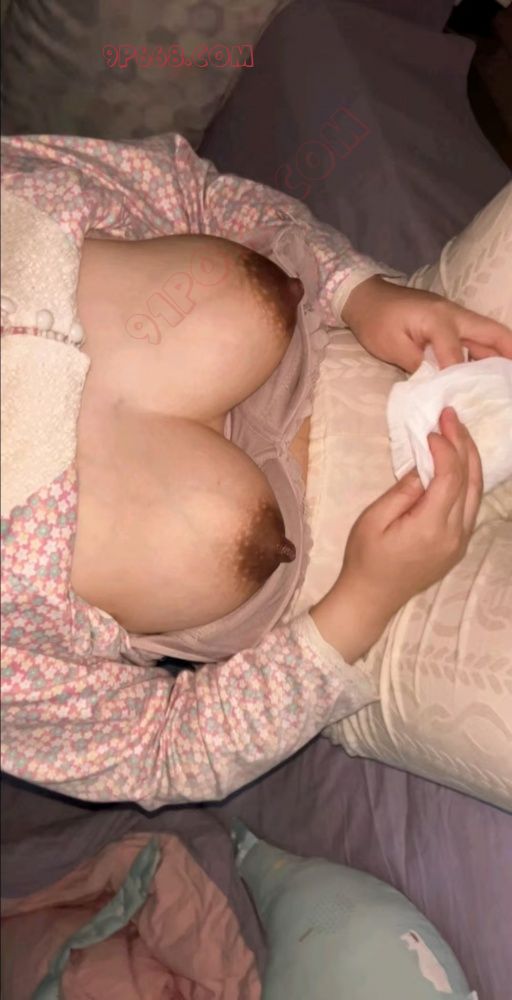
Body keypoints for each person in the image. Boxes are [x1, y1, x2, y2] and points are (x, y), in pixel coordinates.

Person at [1, 132, 510, 809]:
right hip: (380, 624)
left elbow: (194, 195)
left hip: (409, 345)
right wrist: (362, 603)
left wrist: (359, 292)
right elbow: (158, 752)